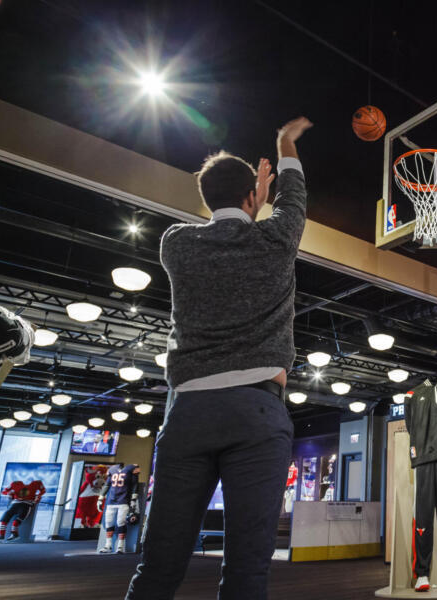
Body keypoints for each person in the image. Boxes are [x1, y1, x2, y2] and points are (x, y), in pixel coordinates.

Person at [126, 117, 312, 600]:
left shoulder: (177, 243)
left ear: (207, 200)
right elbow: (293, 198)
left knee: (158, 567)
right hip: (256, 412)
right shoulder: (276, 238)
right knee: (247, 572)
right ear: (254, 197)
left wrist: (252, 199)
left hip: (188, 412)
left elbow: (252, 214)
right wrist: (285, 144)